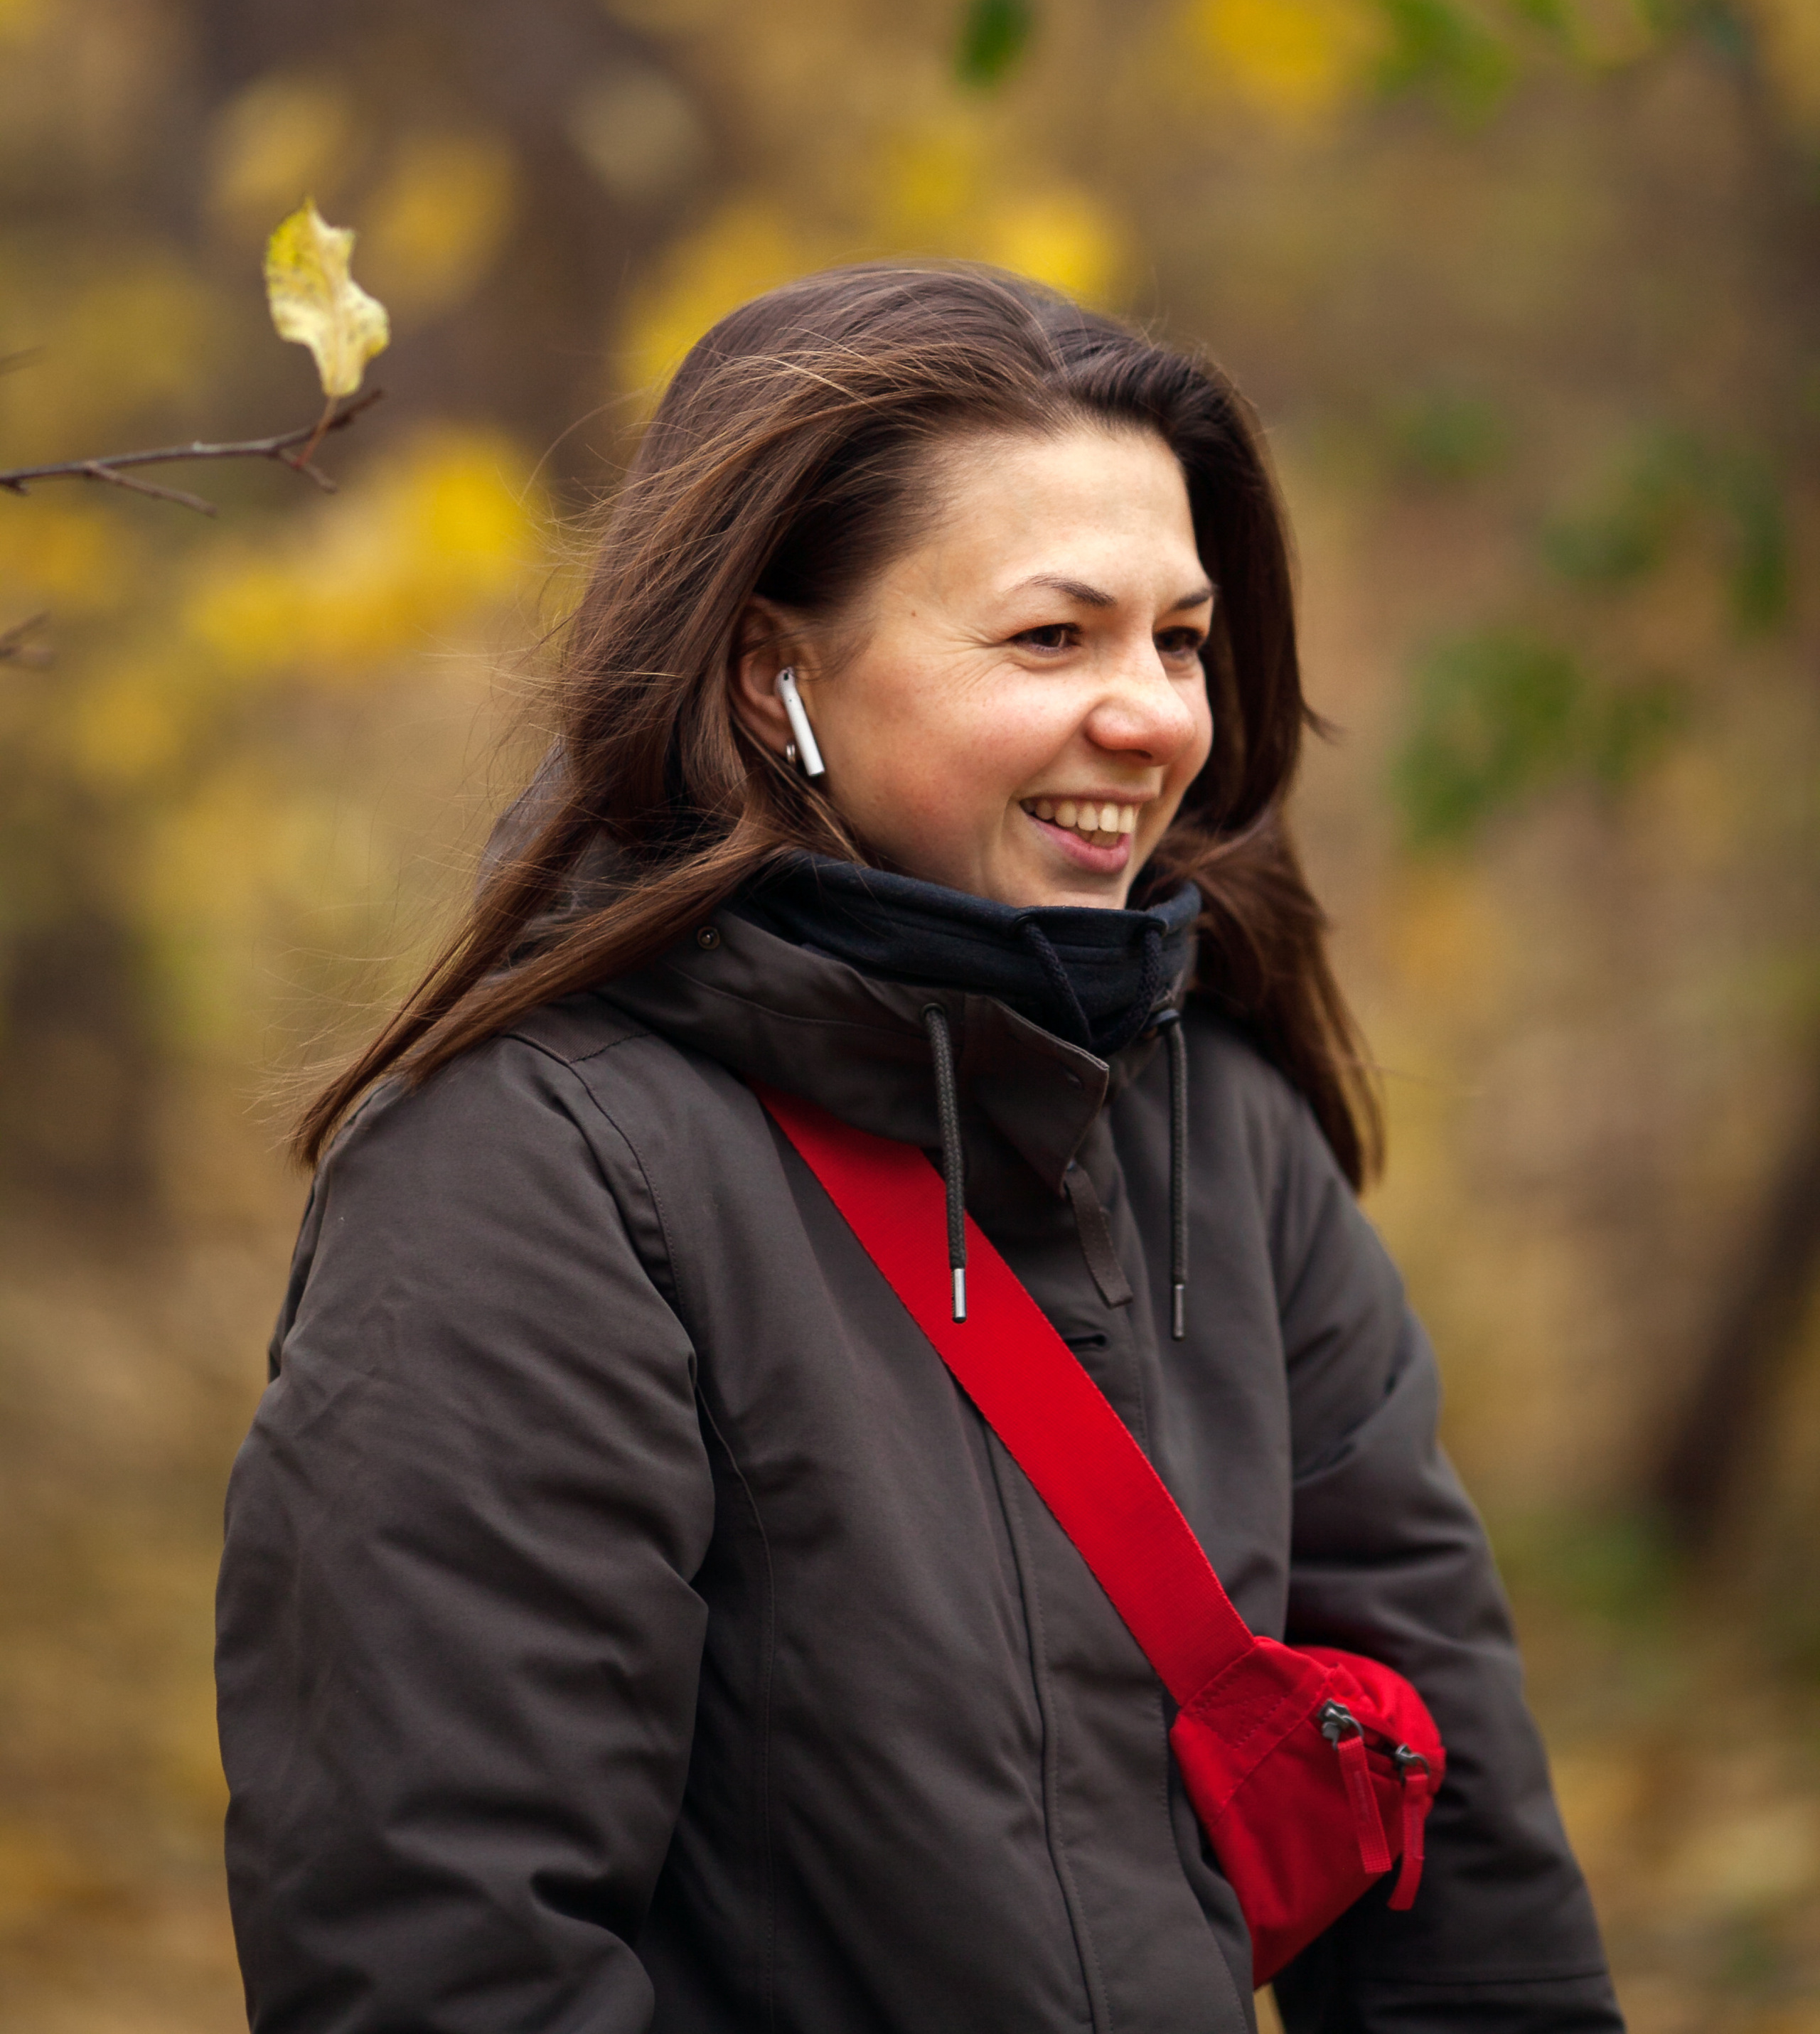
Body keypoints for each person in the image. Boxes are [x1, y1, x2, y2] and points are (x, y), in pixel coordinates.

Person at [216, 264, 1622, 2034]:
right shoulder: (526, 1177)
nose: (1153, 717)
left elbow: (1461, 1875)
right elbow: (438, 1957)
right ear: (767, 671)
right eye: (1053, 638)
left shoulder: (1220, 1125)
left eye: (1177, 640)